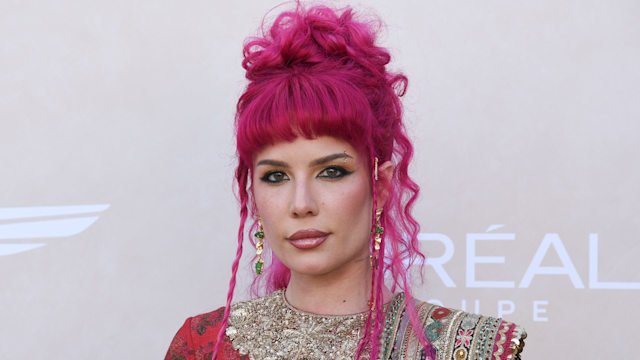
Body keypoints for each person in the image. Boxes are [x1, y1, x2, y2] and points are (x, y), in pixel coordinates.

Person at [165, 3, 526, 360]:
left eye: (331, 171)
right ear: (253, 196)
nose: (301, 203)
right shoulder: (204, 346)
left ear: (380, 188)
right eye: (276, 176)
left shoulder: (469, 348)